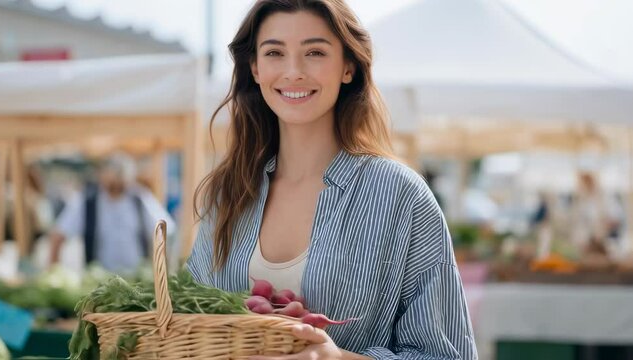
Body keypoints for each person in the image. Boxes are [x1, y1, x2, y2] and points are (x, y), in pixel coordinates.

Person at [187, 1, 477, 359]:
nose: (293, 71)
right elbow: (190, 325)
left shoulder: (401, 197)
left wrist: (338, 358)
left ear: (348, 67)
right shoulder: (228, 194)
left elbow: (448, 354)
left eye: (315, 52)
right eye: (275, 52)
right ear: (255, 68)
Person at [48, 153, 176, 275]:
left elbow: (165, 231)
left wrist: (164, 273)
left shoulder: (140, 198)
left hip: (138, 282)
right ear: (101, 176)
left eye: (120, 180)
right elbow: (58, 235)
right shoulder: (87, 202)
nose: (116, 184)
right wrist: (54, 273)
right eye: (112, 178)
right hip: (100, 284)